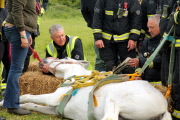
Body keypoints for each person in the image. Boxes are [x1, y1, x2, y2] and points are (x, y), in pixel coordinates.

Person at [2, 0, 37, 115]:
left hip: (20, 29)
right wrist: (23, 33)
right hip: (18, 30)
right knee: (16, 68)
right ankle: (12, 105)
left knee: (15, 68)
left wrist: (29, 33)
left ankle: (10, 103)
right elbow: (17, 11)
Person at [92, 0, 142, 73]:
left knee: (129, 66)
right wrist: (98, 38)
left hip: (126, 41)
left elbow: (136, 20)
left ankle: (129, 83)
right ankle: (111, 83)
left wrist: (133, 38)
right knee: (110, 66)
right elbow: (97, 19)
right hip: (107, 41)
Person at [159, 0, 180, 119]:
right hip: (170, 49)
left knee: (177, 85)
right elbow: (166, 24)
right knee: (170, 84)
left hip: (174, 49)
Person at [128, 14, 162, 84]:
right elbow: (139, 63)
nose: (149, 31)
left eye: (152, 28)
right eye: (148, 28)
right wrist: (139, 75)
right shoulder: (146, 42)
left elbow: (160, 61)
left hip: (160, 83)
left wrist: (140, 61)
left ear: (160, 26)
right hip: (146, 84)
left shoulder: (165, 43)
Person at [22, 0, 49, 73]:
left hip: (34, 28)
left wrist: (42, 9)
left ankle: (22, 75)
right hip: (23, 27)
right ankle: (7, 77)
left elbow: (46, 1)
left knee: (28, 53)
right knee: (18, 54)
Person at [80, 0, 105, 72]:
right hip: (97, 31)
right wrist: (92, 24)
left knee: (116, 57)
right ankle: (99, 77)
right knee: (100, 58)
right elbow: (84, 11)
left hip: (112, 30)